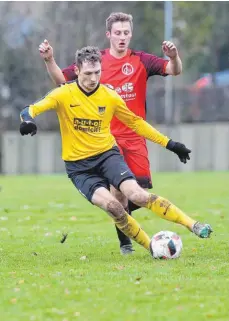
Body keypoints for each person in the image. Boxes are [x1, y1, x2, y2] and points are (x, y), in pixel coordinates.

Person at [24, 47, 212, 255]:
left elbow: (136, 123)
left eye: (97, 72)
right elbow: (30, 109)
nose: (93, 78)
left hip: (107, 156)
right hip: (79, 168)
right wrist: (28, 121)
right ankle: (153, 247)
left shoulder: (109, 96)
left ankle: (192, 224)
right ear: (76, 71)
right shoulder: (63, 94)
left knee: (137, 195)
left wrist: (170, 144)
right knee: (113, 207)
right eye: (88, 73)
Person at [38, 13, 184, 255]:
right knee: (119, 194)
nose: (122, 37)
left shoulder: (141, 60)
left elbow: (174, 70)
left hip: (134, 137)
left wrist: (174, 56)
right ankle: (127, 243)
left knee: (137, 195)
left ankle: (128, 228)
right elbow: (61, 81)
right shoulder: (95, 62)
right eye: (118, 33)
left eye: (126, 32)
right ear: (109, 35)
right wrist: (49, 60)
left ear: (131, 34)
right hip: (105, 142)